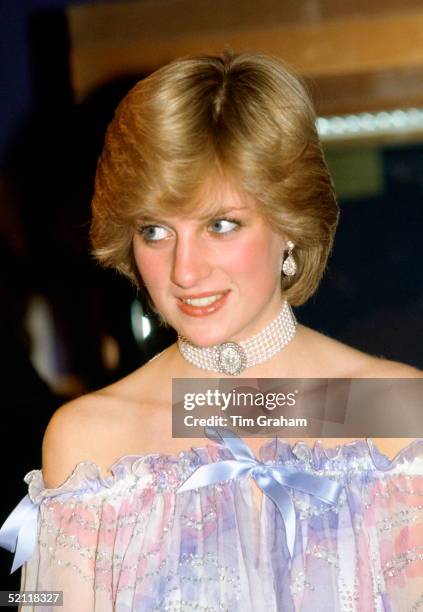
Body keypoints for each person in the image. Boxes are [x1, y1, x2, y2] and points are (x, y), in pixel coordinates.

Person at [1, 51, 422, 611]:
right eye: (155, 231)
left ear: (290, 223)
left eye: (220, 224)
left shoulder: (396, 411)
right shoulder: (90, 443)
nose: (184, 270)